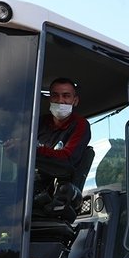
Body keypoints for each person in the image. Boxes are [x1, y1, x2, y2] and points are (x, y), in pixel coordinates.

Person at [33, 77, 92, 217]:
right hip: (27, 187)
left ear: (75, 101)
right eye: (55, 95)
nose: (60, 101)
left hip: (52, 196)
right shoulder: (38, 123)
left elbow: (67, 160)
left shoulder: (80, 125)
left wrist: (33, 151)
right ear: (50, 99)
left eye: (66, 96)